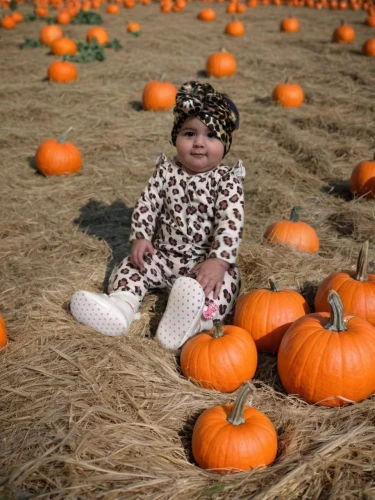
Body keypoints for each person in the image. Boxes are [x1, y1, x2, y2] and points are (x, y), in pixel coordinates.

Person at [70, 80, 245, 351]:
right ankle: (122, 305)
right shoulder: (166, 171)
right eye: (189, 134)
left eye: (211, 135)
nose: (199, 143)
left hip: (203, 262)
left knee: (225, 282)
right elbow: (147, 204)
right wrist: (140, 237)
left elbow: (230, 223)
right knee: (132, 265)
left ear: (225, 143)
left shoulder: (227, 180)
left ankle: (196, 321)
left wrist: (219, 261)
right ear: (176, 137)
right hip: (162, 255)